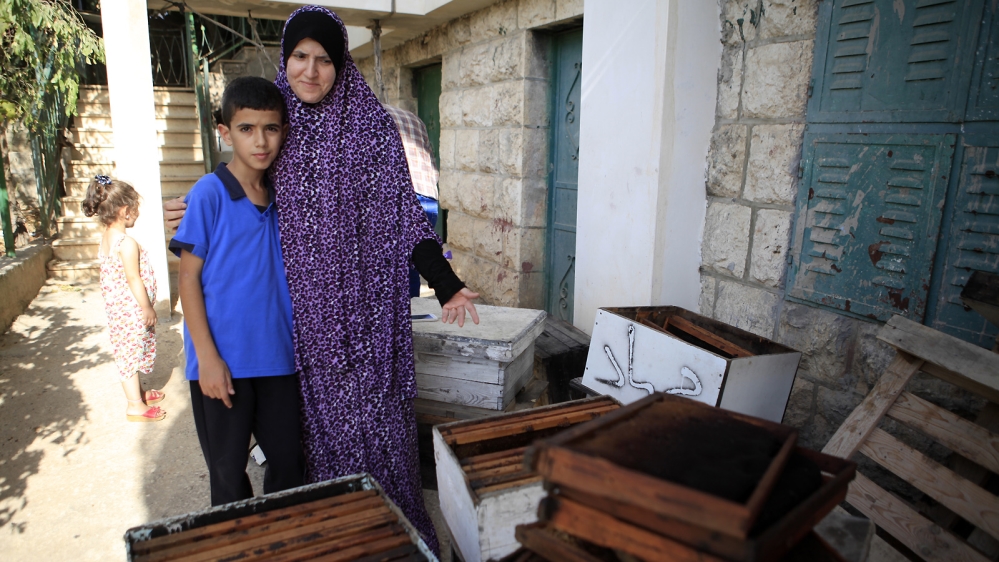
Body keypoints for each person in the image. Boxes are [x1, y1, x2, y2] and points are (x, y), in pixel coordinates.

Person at [163, 6, 479, 551]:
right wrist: (193, 202)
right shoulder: (278, 120)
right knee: (306, 440)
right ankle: (323, 530)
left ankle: (385, 526)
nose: (311, 70)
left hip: (368, 314)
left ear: (342, 66)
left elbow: (403, 214)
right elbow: (243, 167)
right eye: (300, 57)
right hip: (302, 323)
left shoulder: (371, 127)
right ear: (285, 61)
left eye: (325, 59)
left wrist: (445, 283)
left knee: (376, 424)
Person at [170, 76, 305, 506]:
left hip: (278, 360)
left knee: (288, 464)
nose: (260, 141)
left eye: (271, 128)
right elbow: (188, 278)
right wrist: (207, 359)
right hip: (220, 364)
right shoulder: (209, 193)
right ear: (225, 132)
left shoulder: (287, 195)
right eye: (246, 129)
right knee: (228, 475)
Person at [83, 175, 165, 422]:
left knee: (132, 351)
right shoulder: (127, 243)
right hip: (130, 311)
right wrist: (147, 307)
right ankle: (134, 406)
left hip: (119, 311)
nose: (137, 214)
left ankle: (137, 395)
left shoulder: (108, 237)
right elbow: (133, 279)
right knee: (130, 356)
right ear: (125, 210)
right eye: (136, 209)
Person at [382, 104, 441, 297]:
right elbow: (430, 158)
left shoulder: (366, 116)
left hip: (397, 198)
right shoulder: (412, 118)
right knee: (413, 264)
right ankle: (411, 318)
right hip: (427, 196)